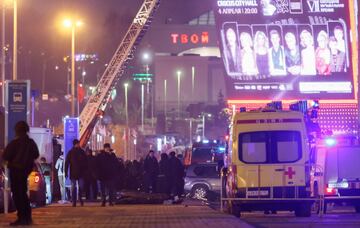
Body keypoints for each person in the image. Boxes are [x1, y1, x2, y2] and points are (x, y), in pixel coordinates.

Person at [2, 121, 39, 226]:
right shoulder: (31, 142)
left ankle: (22, 218)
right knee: (23, 194)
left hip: (15, 171)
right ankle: (27, 217)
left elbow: (5, 156)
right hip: (25, 172)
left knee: (17, 195)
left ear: (17, 130)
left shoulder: (14, 143)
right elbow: (36, 154)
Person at [65, 139, 87, 207]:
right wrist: (65, 172)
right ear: (75, 144)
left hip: (77, 173)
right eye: (77, 143)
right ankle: (76, 201)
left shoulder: (72, 152)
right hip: (76, 173)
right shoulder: (76, 152)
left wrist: (66, 172)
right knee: (76, 187)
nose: (78, 145)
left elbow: (67, 163)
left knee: (78, 187)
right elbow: (67, 163)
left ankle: (78, 200)